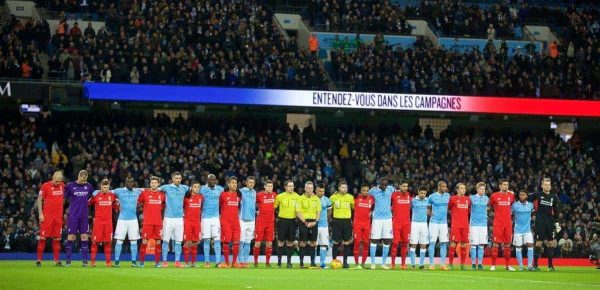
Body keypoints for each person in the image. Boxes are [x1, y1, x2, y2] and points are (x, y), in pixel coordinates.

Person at [106, 177, 143, 267]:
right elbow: (106, 191)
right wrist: (95, 192)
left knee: (134, 241)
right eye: (128, 182)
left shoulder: (137, 191)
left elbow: (150, 189)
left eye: (131, 182)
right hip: (122, 220)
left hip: (133, 220)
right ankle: (117, 261)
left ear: (133, 183)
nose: (130, 183)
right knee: (119, 241)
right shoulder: (119, 191)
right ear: (125, 182)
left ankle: (134, 262)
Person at [158, 171, 190, 267]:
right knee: (166, 240)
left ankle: (177, 261)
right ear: (172, 179)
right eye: (176, 178)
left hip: (180, 219)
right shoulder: (166, 187)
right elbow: (154, 189)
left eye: (180, 178)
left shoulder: (184, 188)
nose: (178, 180)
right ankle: (164, 261)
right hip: (168, 218)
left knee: (178, 241)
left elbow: (196, 189)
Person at [64, 170, 94, 267]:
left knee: (84, 237)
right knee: (71, 237)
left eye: (85, 180)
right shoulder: (70, 186)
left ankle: (85, 261)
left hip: (84, 217)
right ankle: (68, 260)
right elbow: (63, 197)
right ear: (78, 176)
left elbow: (92, 199)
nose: (83, 182)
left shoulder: (89, 186)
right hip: (73, 216)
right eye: (82, 180)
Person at [529, 178, 560, 271]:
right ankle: (535, 265)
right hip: (540, 222)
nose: (547, 186)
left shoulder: (553, 197)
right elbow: (527, 199)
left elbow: (556, 210)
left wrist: (557, 223)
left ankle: (550, 266)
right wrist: (533, 211)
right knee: (538, 243)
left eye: (549, 185)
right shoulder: (537, 194)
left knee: (551, 243)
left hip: (550, 223)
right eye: (545, 184)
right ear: (542, 185)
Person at [36, 171, 65, 267]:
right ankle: (39, 260)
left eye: (60, 181)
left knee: (57, 239)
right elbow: (39, 199)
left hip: (58, 217)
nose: (58, 183)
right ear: (52, 177)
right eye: (56, 181)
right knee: (43, 238)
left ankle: (56, 260)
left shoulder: (62, 186)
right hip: (47, 216)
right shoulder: (45, 186)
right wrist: (40, 214)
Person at [89, 179, 118, 267]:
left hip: (108, 223)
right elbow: (89, 204)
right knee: (94, 242)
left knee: (108, 242)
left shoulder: (112, 196)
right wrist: (91, 216)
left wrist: (117, 205)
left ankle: (108, 262)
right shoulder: (96, 196)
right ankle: (93, 262)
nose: (106, 189)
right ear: (101, 187)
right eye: (104, 187)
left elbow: (116, 207)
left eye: (107, 187)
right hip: (98, 222)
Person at [138, 176, 166, 267]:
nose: (153, 184)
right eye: (152, 182)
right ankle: (141, 262)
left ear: (158, 184)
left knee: (158, 242)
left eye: (155, 183)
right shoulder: (145, 193)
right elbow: (139, 203)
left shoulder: (162, 195)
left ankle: (157, 263)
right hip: (147, 222)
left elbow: (164, 205)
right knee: (145, 241)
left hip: (158, 222)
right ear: (150, 184)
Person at [368, 177, 394, 270]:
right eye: (383, 184)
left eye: (386, 184)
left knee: (387, 240)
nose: (384, 186)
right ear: (379, 183)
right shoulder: (373, 191)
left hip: (388, 219)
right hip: (377, 219)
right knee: (374, 240)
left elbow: (398, 193)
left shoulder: (390, 189)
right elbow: (365, 195)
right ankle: (373, 263)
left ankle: (383, 263)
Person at [490, 179, 516, 271]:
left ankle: (508, 266)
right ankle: (493, 265)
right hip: (498, 223)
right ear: (500, 186)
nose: (506, 186)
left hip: (508, 224)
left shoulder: (511, 196)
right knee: (495, 244)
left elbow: (513, 204)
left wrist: (511, 192)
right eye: (504, 185)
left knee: (507, 245)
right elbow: (490, 206)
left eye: (507, 185)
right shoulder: (494, 196)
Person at [200, 174, 224, 267]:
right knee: (206, 240)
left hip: (216, 218)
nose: (213, 181)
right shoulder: (202, 189)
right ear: (207, 180)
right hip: (205, 218)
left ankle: (218, 262)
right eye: (211, 180)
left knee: (217, 240)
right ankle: (207, 261)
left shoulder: (220, 189)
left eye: (214, 180)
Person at [274, 180, 300, 268]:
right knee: (280, 242)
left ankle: (289, 263)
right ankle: (279, 263)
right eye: (289, 186)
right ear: (285, 187)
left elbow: (299, 210)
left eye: (292, 186)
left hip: (292, 221)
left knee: (290, 242)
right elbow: (273, 208)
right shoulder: (280, 196)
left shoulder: (297, 197)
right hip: (282, 221)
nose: (291, 187)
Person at [296, 181, 321, 268]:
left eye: (311, 188)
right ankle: (301, 262)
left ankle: (312, 262)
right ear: (305, 188)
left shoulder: (316, 199)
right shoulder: (300, 198)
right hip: (303, 222)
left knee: (313, 242)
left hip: (314, 221)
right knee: (303, 242)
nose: (310, 190)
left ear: (313, 189)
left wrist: (315, 222)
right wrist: (305, 222)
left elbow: (318, 211)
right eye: (308, 188)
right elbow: (298, 212)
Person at [330, 181, 355, 268]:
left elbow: (354, 208)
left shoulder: (350, 197)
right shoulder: (333, 197)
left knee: (347, 242)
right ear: (339, 188)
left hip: (347, 221)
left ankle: (345, 262)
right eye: (343, 187)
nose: (344, 189)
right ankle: (334, 261)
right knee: (336, 242)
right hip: (337, 221)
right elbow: (329, 208)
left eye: (346, 187)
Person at [253, 180, 276, 267]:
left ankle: (267, 262)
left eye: (271, 186)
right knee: (258, 243)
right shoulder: (259, 195)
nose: (270, 188)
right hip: (260, 222)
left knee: (269, 243)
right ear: (265, 186)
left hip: (270, 222)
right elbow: (251, 203)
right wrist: (256, 211)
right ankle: (255, 261)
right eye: (268, 186)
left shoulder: (274, 195)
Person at [220, 177, 242, 267]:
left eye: (235, 183)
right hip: (226, 222)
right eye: (232, 183)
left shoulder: (238, 195)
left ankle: (234, 262)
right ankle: (226, 262)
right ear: (228, 184)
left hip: (236, 222)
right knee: (226, 242)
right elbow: (218, 206)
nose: (234, 184)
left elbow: (239, 208)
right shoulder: (223, 195)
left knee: (236, 242)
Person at [448, 183, 471, 270]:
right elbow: (449, 208)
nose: (463, 190)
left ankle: (462, 264)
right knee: (453, 243)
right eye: (461, 188)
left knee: (464, 244)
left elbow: (468, 211)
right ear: (457, 190)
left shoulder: (468, 199)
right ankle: (450, 264)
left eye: (464, 189)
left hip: (465, 225)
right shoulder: (453, 199)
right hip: (456, 225)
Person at [428, 181, 450, 270]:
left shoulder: (448, 196)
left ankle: (443, 264)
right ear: (439, 187)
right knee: (432, 242)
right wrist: (429, 213)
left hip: (444, 223)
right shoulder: (432, 196)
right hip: (434, 223)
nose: (445, 188)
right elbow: (427, 207)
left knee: (444, 243)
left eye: (446, 186)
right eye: (443, 186)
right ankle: (431, 264)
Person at [512, 189, 535, 271]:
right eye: (520, 195)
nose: (521, 196)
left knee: (530, 245)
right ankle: (521, 266)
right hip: (518, 230)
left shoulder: (531, 205)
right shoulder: (515, 205)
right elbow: (511, 215)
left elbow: (532, 214)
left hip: (527, 230)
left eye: (523, 195)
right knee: (518, 247)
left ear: (527, 196)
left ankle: (529, 265)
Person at [390, 180, 411, 269]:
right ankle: (392, 264)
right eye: (403, 186)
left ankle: (403, 264)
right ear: (400, 186)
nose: (405, 188)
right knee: (395, 243)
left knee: (405, 243)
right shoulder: (394, 195)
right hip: (396, 223)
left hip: (406, 223)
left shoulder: (409, 195)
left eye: (406, 186)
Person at [352, 185, 373, 269]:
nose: (365, 192)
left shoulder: (371, 199)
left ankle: (363, 263)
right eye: (364, 190)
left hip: (367, 225)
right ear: (361, 190)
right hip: (357, 224)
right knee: (357, 243)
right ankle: (357, 263)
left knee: (366, 244)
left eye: (367, 190)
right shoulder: (356, 197)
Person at [469, 182, 490, 270]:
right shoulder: (471, 198)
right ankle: (473, 264)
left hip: (483, 225)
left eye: (483, 189)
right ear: (477, 189)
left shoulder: (486, 198)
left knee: (481, 244)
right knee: (474, 244)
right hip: (474, 225)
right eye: (481, 189)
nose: (482, 191)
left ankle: (480, 264)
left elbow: (488, 208)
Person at [183, 181, 203, 267]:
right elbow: (182, 207)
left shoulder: (201, 197)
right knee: (188, 242)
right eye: (195, 187)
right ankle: (187, 262)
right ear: (191, 187)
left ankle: (193, 263)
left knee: (195, 243)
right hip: (188, 222)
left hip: (197, 222)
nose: (197, 188)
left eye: (198, 187)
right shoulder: (186, 197)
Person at [409, 186, 430, 270]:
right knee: (413, 244)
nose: (423, 195)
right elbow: (408, 209)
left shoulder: (428, 200)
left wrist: (429, 213)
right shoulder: (413, 200)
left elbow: (429, 210)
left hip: (424, 224)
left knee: (423, 245)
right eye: (421, 193)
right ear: (418, 192)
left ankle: (421, 264)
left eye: (424, 193)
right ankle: (413, 264)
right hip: (414, 223)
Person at [238, 177, 257, 268]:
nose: (251, 184)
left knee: (248, 242)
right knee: (241, 241)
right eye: (250, 182)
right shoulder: (240, 191)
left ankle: (245, 261)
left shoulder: (254, 192)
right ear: (246, 183)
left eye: (253, 183)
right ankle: (240, 261)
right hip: (242, 220)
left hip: (252, 220)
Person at [316, 183, 332, 269]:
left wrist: (325, 218)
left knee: (323, 244)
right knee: (314, 244)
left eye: (323, 191)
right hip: (314, 225)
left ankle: (322, 263)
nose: (322, 193)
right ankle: (313, 262)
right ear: (316, 190)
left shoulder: (327, 200)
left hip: (324, 226)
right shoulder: (313, 199)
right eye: (320, 191)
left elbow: (330, 211)